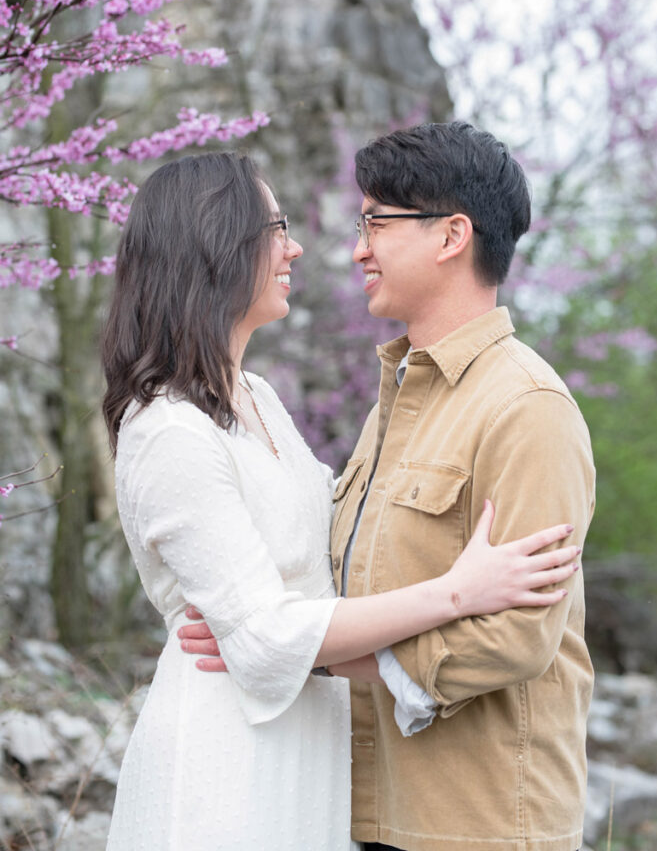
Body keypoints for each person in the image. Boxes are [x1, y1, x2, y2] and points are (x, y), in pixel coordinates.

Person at [102, 149, 582, 851]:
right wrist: (452, 593)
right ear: (212, 243)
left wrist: (292, 643)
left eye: (375, 225)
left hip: (316, 758)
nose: (305, 246)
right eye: (273, 228)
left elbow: (316, 586)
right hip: (229, 759)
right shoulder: (171, 428)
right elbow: (263, 637)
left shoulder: (257, 400)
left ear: (450, 238)